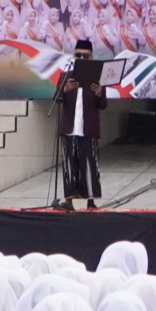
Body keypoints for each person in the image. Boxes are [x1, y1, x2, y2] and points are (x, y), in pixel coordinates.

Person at [55, 41, 106, 207]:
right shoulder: (65, 76)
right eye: (78, 55)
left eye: (85, 55)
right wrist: (65, 90)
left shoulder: (97, 79)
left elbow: (103, 105)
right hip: (69, 129)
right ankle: (69, 202)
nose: (82, 58)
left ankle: (91, 202)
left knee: (89, 165)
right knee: (69, 166)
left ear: (91, 57)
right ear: (73, 56)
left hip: (88, 129)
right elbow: (56, 99)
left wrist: (99, 94)